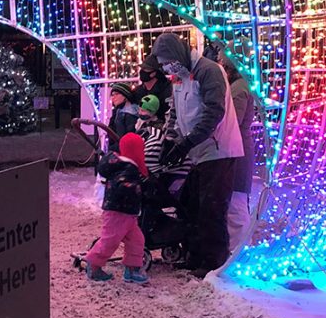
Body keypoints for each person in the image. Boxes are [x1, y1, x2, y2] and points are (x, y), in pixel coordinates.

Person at [153, 32, 243, 278]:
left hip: (218, 150)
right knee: (189, 204)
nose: (165, 67)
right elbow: (175, 111)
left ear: (178, 55)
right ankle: (194, 255)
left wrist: (186, 143)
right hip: (197, 152)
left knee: (211, 207)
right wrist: (169, 140)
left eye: (166, 62)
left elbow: (214, 112)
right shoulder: (180, 76)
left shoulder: (208, 71)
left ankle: (213, 262)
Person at [84, 132, 150, 284]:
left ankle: (132, 268)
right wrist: (138, 188)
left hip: (127, 212)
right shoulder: (129, 169)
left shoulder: (123, 166)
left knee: (137, 240)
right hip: (118, 212)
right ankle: (94, 264)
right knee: (110, 240)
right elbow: (121, 187)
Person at [225, 62, 256, 254]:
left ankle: (238, 251)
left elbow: (233, 121)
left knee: (236, 204)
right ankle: (237, 247)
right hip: (238, 150)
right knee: (236, 201)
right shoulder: (241, 85)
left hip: (238, 152)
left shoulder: (239, 88)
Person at [131, 55, 172, 121]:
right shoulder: (139, 91)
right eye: (142, 68)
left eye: (146, 69)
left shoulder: (166, 89)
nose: (142, 71)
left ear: (154, 72)